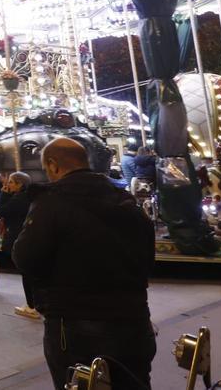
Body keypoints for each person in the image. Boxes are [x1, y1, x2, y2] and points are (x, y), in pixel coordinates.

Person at [13, 138, 156, 390]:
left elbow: (25, 257)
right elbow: (147, 257)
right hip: (134, 317)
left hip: (76, 319)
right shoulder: (124, 199)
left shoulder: (52, 202)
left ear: (53, 165)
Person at [0, 171, 38, 319]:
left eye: (12, 182)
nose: (9, 185)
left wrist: (3, 194)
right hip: (30, 237)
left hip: (19, 236)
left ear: (20, 184)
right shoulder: (31, 197)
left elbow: (1, 211)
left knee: (26, 273)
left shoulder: (18, 199)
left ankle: (31, 306)